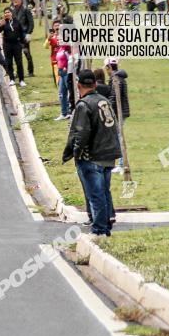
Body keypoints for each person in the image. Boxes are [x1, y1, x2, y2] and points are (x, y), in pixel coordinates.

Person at [62, 69, 122, 237]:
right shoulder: (104, 102)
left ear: (78, 85)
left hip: (91, 157)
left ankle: (99, 230)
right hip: (108, 156)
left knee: (95, 196)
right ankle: (106, 226)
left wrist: (76, 153)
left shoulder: (84, 105)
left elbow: (81, 133)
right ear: (95, 84)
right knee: (103, 192)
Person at [0, 7, 27, 86]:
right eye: (5, 12)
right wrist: (0, 25)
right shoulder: (4, 22)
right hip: (7, 45)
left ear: (11, 13)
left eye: (8, 12)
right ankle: (12, 79)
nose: (7, 14)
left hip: (17, 45)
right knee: (9, 62)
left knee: (19, 62)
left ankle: (21, 79)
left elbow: (21, 33)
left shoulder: (17, 22)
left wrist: (23, 43)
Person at [10, 0, 35, 76]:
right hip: (15, 36)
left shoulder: (25, 10)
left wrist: (28, 33)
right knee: (16, 55)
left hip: (23, 35)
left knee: (27, 53)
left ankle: (30, 71)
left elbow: (31, 23)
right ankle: (19, 72)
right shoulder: (12, 11)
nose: (15, 0)